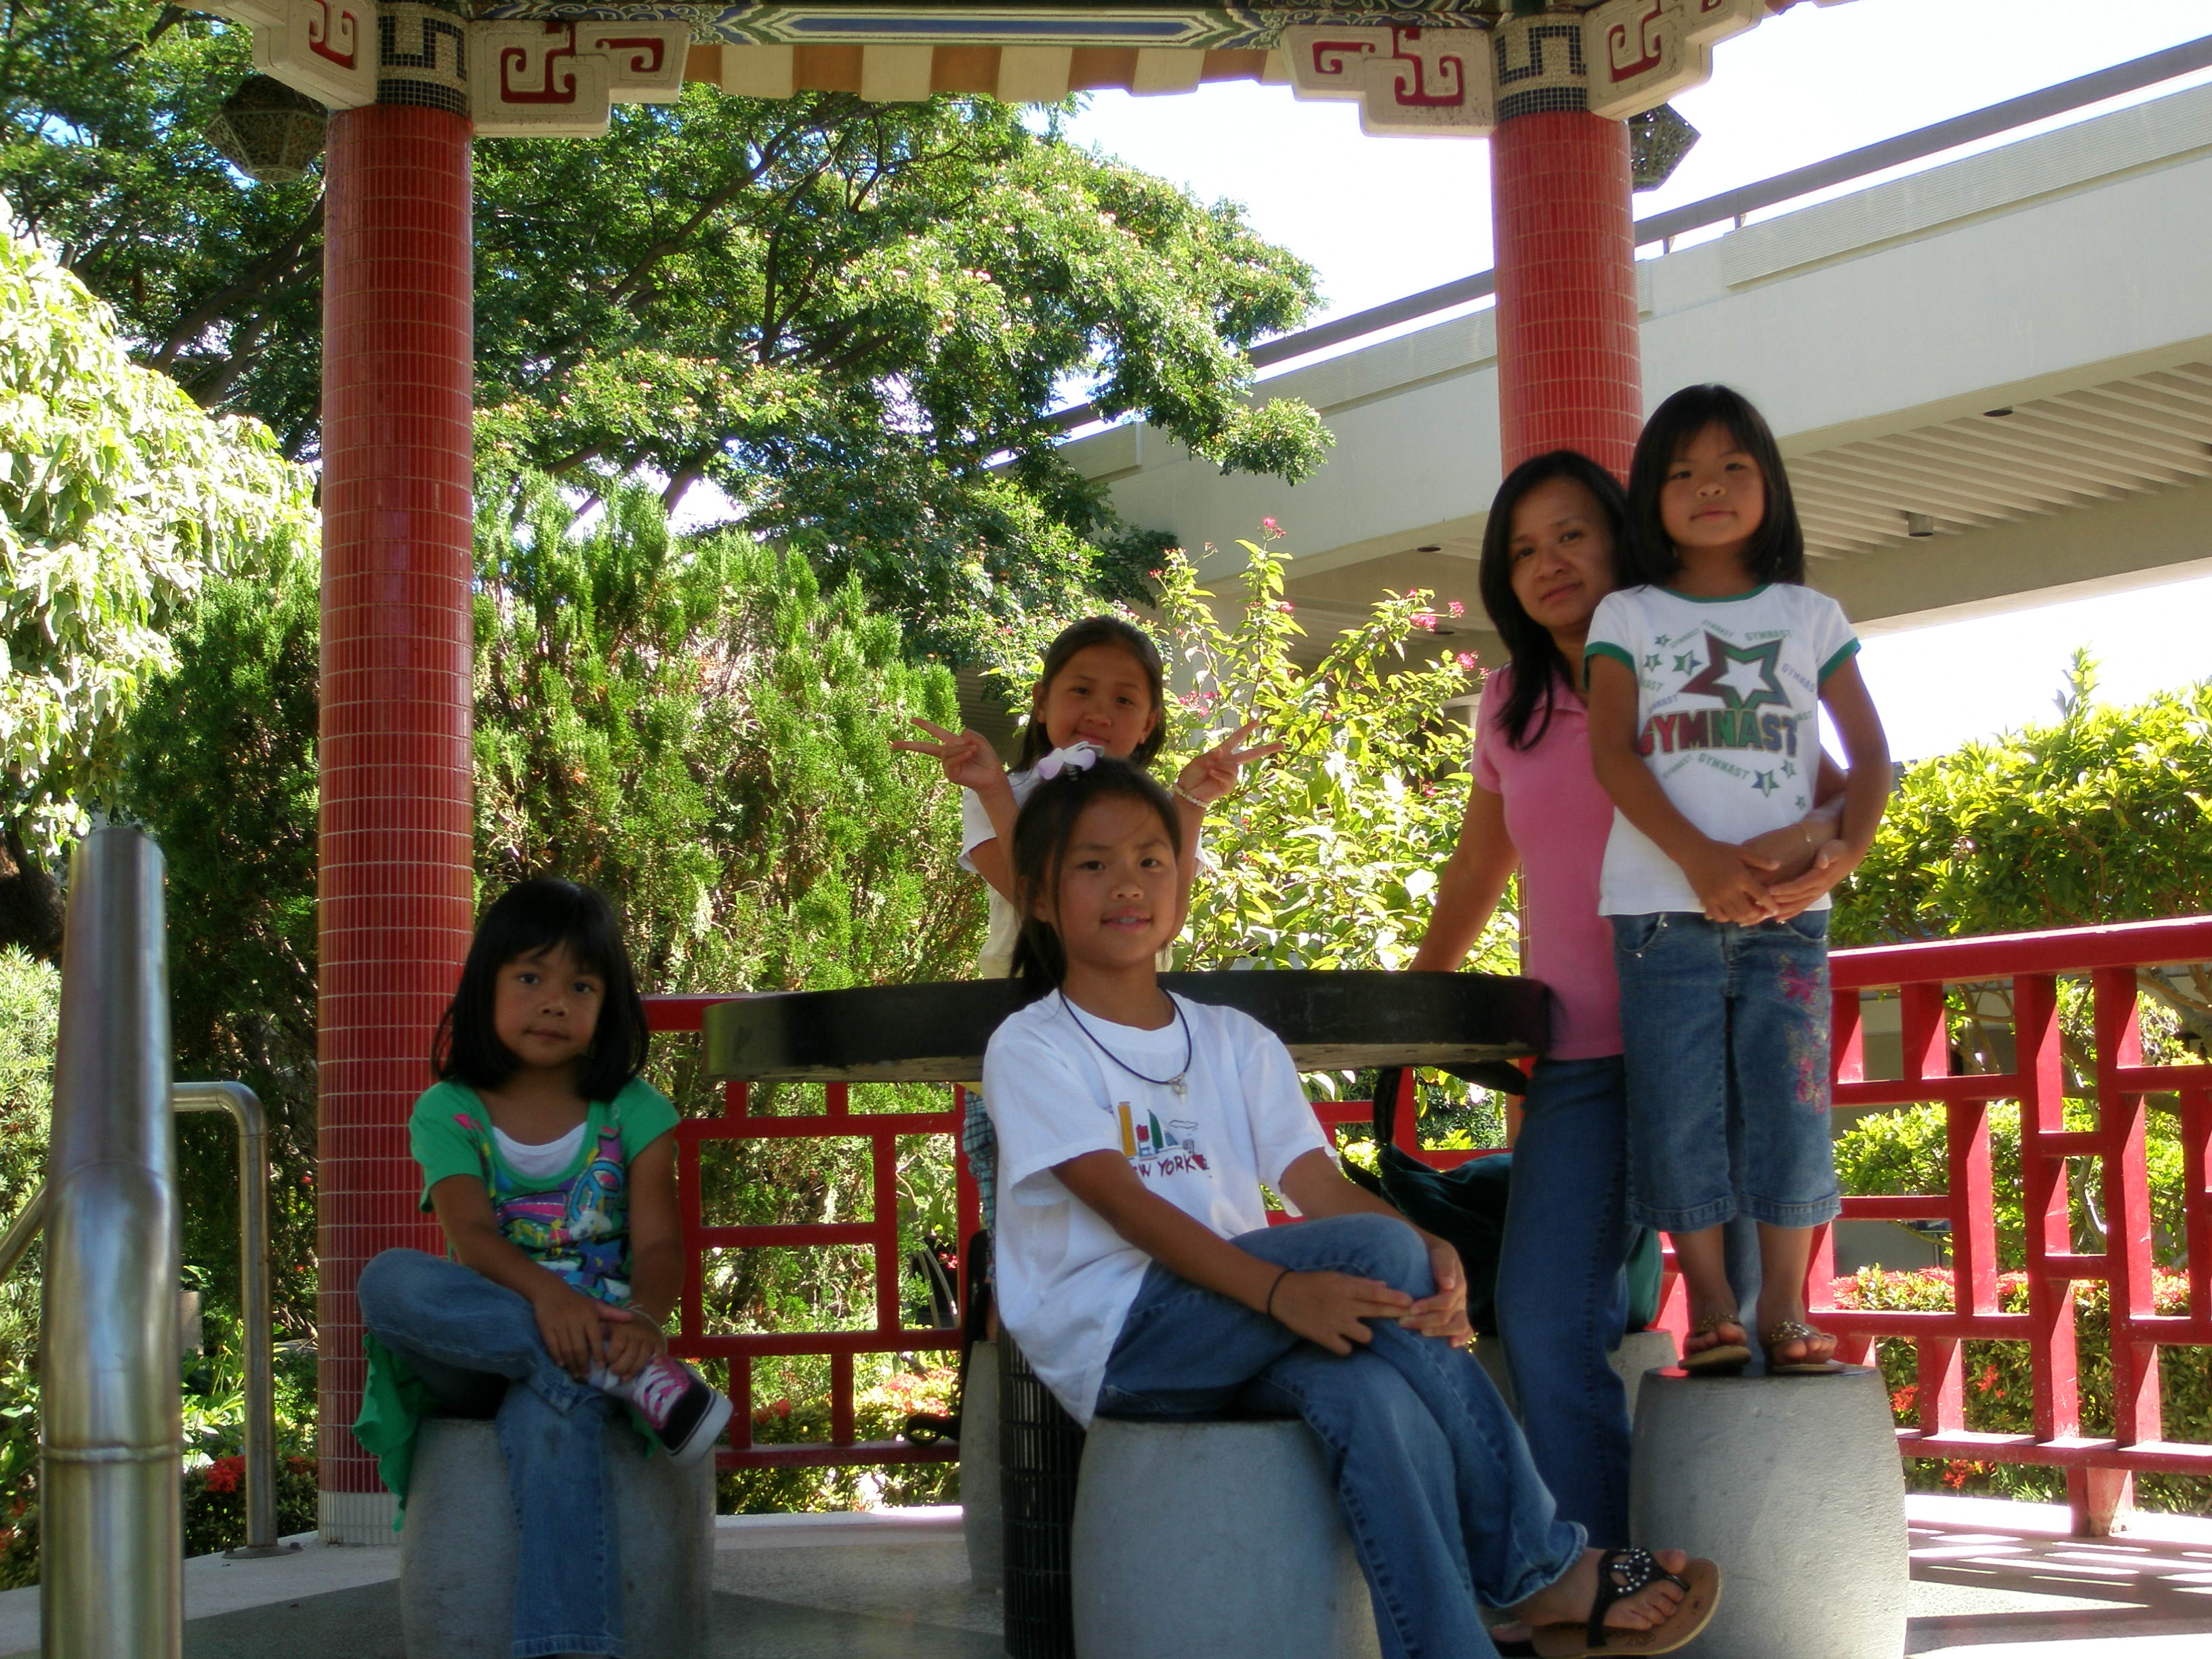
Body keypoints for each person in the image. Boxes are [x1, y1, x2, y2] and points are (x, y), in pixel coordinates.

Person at [983, 752, 1723, 1659]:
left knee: (1371, 1391)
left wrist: (1428, 1247)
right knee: (1378, 1258)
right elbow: (1129, 1208)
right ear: (1041, 895)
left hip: (1236, 1317)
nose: (1128, 884)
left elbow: (1318, 1186)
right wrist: (1282, 1293)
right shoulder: (1031, 1046)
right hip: (1124, 1341)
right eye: (1093, 864)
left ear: (1181, 880)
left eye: (1150, 859)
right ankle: (1542, 1566)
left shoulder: (1232, 1038)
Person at [1412, 453, 1845, 1543]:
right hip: (1583, 1057)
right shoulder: (1507, 703)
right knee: (1546, 1319)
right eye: (1522, 549)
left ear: (1623, 536)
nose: (1547, 563)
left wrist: (1815, 854)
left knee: (1747, 1329)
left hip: (1720, 1031)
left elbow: (1834, 791)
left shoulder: (1693, 659)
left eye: (1571, 535)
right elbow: (1479, 867)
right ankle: (1602, 1571)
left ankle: (1750, 1573)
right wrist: (1417, 999)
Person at [1584, 384, 1891, 1377]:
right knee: (1678, 1110)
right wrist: (1699, 858)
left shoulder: (1810, 614)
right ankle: (1712, 1299)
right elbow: (1613, 755)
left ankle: (1788, 1306)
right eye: (1682, 473)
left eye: (1732, 468)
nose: (1708, 488)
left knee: (1793, 1107)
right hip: (1659, 913)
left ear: (1771, 487)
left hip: (1789, 917)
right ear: (1650, 496)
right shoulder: (1626, 615)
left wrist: (1847, 849)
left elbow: (1871, 756)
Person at [352, 878, 731, 1659]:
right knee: (387, 1280)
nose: (555, 1003)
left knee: (551, 1425)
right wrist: (552, 1305)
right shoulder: (450, 1109)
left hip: (595, 1350)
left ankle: (568, 1646)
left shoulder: (634, 1110)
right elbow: (472, 1237)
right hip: (482, 1347)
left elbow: (662, 1246)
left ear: (608, 1006)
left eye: (581, 986)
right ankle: (609, 1369)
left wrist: (646, 1321)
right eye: (530, 978)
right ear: (484, 986)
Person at [893, 614, 1276, 1229]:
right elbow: (1037, 897)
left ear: (1149, 722)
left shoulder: (1154, 807)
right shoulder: (1003, 791)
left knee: (1153, 1214)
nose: (1099, 711)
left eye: (1124, 699)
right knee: (1033, 1225)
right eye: (1081, 690)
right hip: (1025, 1033)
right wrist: (994, 792)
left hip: (1134, 1043)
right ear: (1042, 701)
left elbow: (1165, 922)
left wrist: (1189, 805)